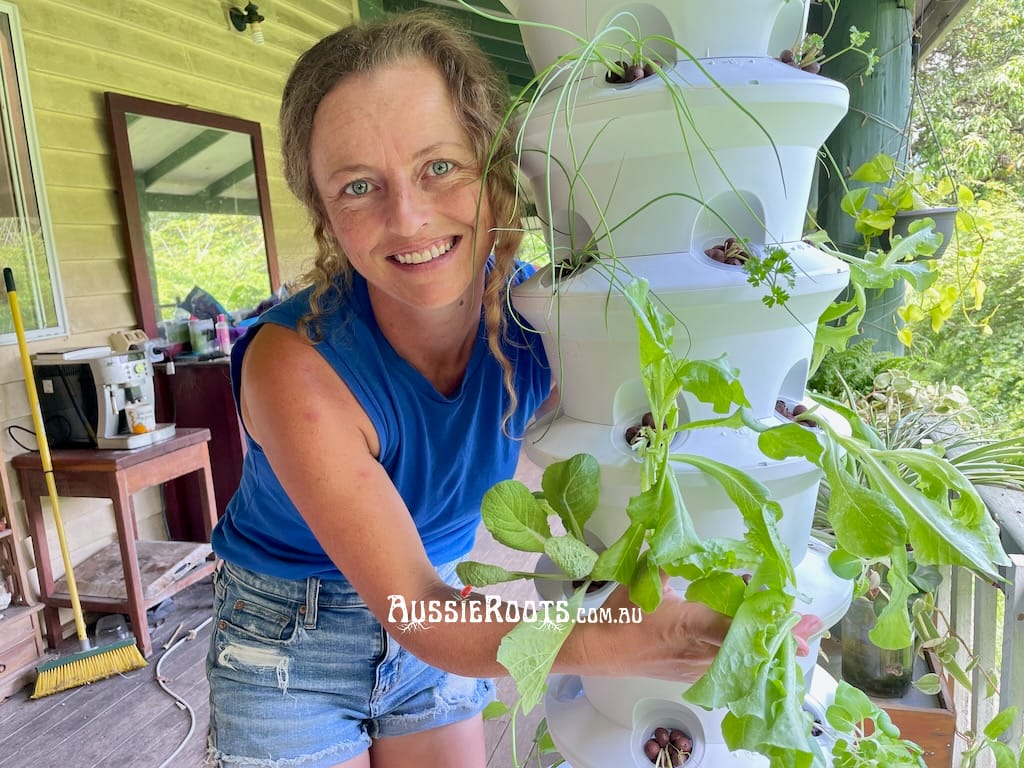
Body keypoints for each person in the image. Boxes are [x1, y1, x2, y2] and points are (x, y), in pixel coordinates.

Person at [205, 10, 741, 768]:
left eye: (439, 167)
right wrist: (634, 641)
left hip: (450, 608)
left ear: (495, 170)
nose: (409, 218)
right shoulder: (294, 365)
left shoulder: (550, 319)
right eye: (359, 186)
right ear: (324, 213)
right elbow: (410, 610)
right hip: (291, 637)